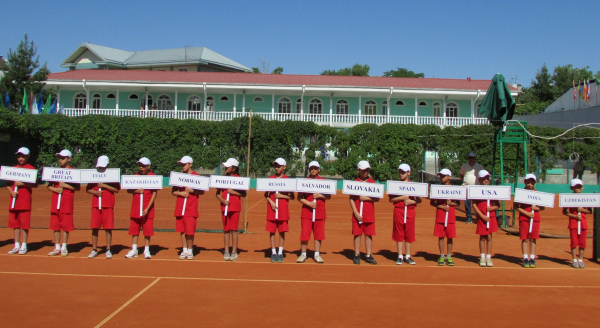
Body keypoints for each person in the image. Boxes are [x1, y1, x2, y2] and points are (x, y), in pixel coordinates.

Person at [47, 149, 80, 257]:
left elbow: (77, 188)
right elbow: (49, 186)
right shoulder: (55, 172)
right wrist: (55, 190)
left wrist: (65, 186)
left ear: (69, 159)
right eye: (59, 158)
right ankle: (57, 247)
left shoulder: (73, 172)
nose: (60, 160)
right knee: (56, 225)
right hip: (55, 202)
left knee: (65, 225)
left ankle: (64, 247)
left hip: (67, 203)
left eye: (63, 158)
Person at [85, 155, 120, 259]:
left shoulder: (112, 176)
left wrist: (104, 186)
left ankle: (108, 250)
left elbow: (116, 190)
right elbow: (88, 189)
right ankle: (94, 249)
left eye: (103, 166)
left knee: (108, 228)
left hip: (108, 204)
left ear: (107, 165)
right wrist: (96, 192)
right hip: (96, 205)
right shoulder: (94, 175)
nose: (101, 168)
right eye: (99, 167)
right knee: (95, 227)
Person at [296, 161, 331, 263]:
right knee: (305, 233)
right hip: (307, 212)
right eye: (311, 168)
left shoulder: (323, 182)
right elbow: (299, 197)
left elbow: (328, 196)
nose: (313, 170)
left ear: (319, 169)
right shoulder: (305, 181)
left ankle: (317, 254)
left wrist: (319, 195)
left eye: (315, 168)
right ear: (309, 170)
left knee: (318, 234)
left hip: (320, 212)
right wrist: (309, 203)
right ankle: (303, 254)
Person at [6, 147, 38, 255]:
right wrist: (11, 191)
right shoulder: (12, 169)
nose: (20, 158)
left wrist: (23, 184)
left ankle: (24, 245)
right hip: (14, 201)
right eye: (19, 156)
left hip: (25, 202)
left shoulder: (31, 169)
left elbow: (35, 184)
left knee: (24, 224)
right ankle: (16, 245)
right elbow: (7, 184)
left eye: (23, 156)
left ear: (27, 157)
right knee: (15, 224)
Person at [172, 156, 204, 260]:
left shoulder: (196, 176)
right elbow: (173, 191)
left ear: (190, 164)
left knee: (190, 231)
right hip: (180, 207)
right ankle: (184, 249)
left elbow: (202, 192)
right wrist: (181, 193)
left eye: (184, 164)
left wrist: (192, 191)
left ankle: (190, 251)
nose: (182, 166)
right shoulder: (178, 177)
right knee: (182, 230)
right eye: (181, 164)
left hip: (191, 207)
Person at [389, 163, 421, 265]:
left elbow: (419, 200)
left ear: (409, 173)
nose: (401, 174)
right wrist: (402, 198)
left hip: (410, 212)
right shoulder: (396, 186)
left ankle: (408, 255)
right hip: (399, 211)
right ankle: (399, 256)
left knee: (409, 232)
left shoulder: (414, 186)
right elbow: (391, 199)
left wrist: (411, 202)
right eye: (400, 172)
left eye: (403, 172)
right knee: (399, 232)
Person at [125, 157, 158, 259]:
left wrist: (148, 208)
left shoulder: (153, 177)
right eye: (139, 166)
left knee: (147, 230)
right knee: (134, 229)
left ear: (148, 166)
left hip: (147, 209)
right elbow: (129, 191)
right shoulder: (135, 176)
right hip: (135, 208)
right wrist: (137, 191)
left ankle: (146, 250)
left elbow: (154, 193)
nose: (141, 168)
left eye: (143, 166)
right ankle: (134, 249)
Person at [349, 160, 380, 265]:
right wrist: (356, 212)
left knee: (369, 235)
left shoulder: (372, 183)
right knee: (357, 235)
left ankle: (368, 255)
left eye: (367, 170)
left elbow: (377, 199)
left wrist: (366, 198)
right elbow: (351, 199)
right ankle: (357, 254)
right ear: (358, 170)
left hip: (369, 214)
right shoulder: (354, 183)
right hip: (357, 214)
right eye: (363, 170)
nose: (365, 172)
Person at [265, 158, 294, 263]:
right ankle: (273, 252)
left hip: (283, 210)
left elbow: (292, 197)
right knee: (272, 231)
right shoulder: (270, 178)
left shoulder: (288, 180)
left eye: (279, 166)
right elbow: (266, 195)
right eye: (275, 166)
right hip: (272, 210)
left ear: (284, 167)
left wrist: (281, 196)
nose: (276, 168)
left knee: (282, 231)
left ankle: (280, 252)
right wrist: (271, 202)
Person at [216, 158, 246, 261]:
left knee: (234, 230)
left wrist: (233, 192)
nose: (225, 168)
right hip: (224, 207)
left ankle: (234, 251)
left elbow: (243, 194)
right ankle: (226, 251)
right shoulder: (222, 179)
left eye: (228, 167)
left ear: (234, 168)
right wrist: (223, 201)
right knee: (226, 230)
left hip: (235, 208)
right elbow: (217, 194)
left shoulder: (239, 179)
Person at [430, 169, 460, 266]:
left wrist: (450, 203)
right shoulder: (436, 189)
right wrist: (442, 206)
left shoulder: (454, 189)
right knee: (441, 236)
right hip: (440, 215)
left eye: (444, 176)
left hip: (450, 216)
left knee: (450, 237)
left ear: (449, 177)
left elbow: (458, 203)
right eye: (441, 176)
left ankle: (449, 256)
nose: (441, 178)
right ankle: (442, 255)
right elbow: (432, 202)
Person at [515, 173, 544, 268]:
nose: (530, 184)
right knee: (525, 238)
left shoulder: (538, 194)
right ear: (525, 182)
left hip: (535, 219)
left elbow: (543, 207)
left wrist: (536, 208)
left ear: (535, 183)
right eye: (528, 182)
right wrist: (527, 213)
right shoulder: (520, 193)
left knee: (533, 239)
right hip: (524, 218)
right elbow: (516, 207)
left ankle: (532, 258)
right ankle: (525, 258)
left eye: (532, 183)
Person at [471, 170, 499, 267]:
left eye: (487, 178)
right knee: (482, 237)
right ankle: (482, 257)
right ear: (479, 179)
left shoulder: (493, 191)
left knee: (489, 237)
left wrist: (491, 208)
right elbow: (474, 204)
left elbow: (498, 205)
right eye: (484, 178)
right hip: (481, 217)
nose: (486, 180)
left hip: (491, 217)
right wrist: (481, 215)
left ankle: (488, 257)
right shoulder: (476, 190)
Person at [562, 178, 591, 269]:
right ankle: (574, 260)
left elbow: (590, 211)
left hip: (583, 223)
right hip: (573, 222)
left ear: (582, 188)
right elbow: (564, 212)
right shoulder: (568, 199)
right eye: (575, 187)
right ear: (572, 188)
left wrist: (582, 210)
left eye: (579, 186)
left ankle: (581, 260)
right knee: (574, 242)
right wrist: (574, 216)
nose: (577, 188)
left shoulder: (586, 198)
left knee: (582, 243)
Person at [460, 153, 483, 224]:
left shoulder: (479, 166)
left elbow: (483, 175)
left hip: (476, 188)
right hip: (466, 187)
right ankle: (469, 218)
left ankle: (477, 218)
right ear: (468, 158)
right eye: (470, 157)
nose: (471, 159)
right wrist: (465, 182)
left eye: (472, 157)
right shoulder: (464, 166)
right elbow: (461, 175)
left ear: (475, 158)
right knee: (467, 203)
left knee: (477, 203)